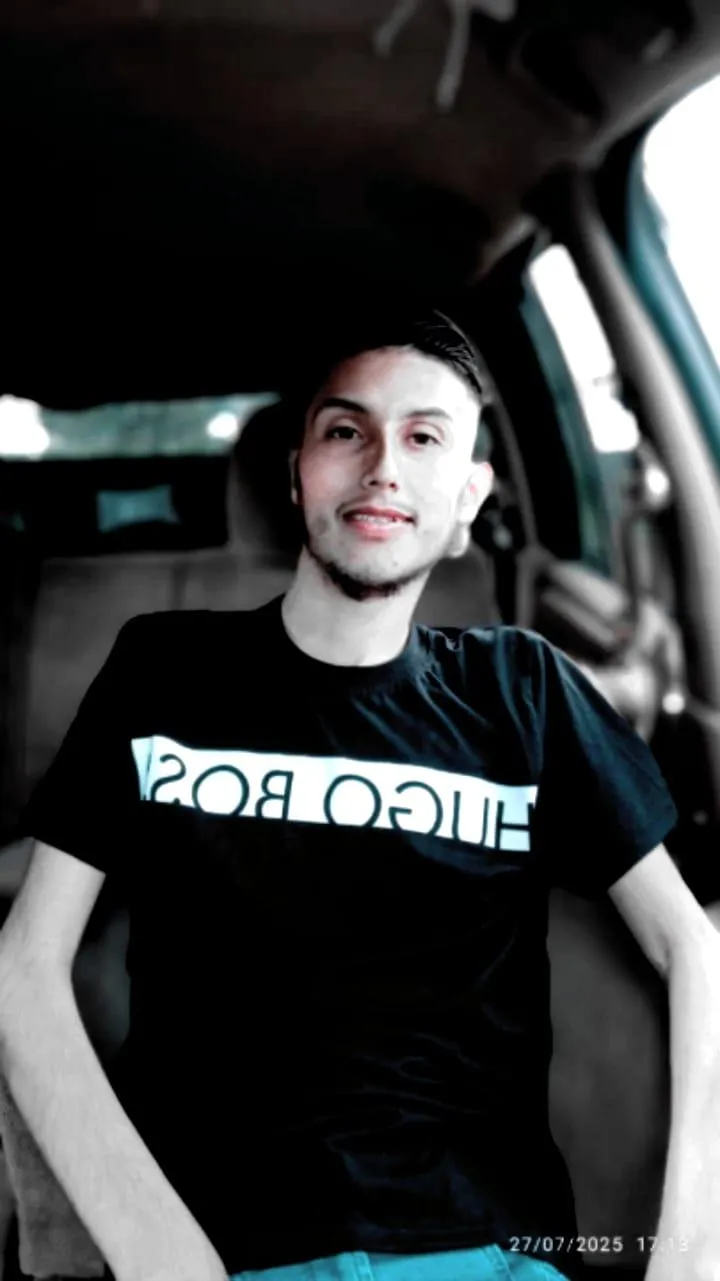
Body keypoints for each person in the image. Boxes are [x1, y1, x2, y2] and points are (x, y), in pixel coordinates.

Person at [0, 311, 717, 1281]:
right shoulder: (163, 669)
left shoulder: (525, 689)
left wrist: (691, 1252)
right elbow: (22, 967)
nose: (383, 466)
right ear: (298, 472)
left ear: (468, 499)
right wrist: (154, 1249)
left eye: (425, 438)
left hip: (482, 1252)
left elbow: (693, 948)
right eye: (347, 430)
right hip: (213, 1245)